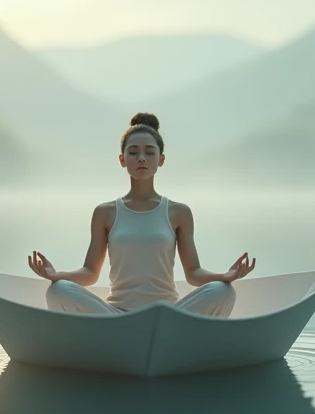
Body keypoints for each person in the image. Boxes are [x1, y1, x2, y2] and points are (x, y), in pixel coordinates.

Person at [27, 112, 256, 316]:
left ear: (161, 160)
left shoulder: (179, 212)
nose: (142, 158)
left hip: (168, 315)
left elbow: (193, 273)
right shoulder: (105, 213)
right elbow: (90, 273)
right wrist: (57, 275)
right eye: (133, 152)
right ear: (122, 160)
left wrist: (226, 276)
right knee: (58, 291)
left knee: (222, 291)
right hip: (116, 315)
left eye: (149, 152)